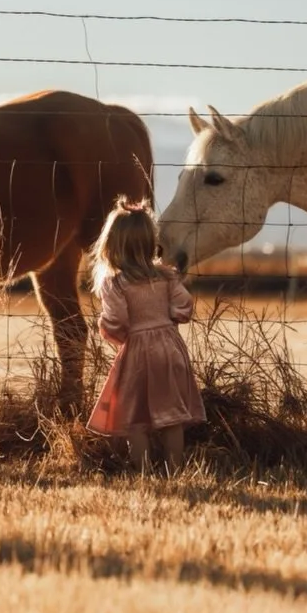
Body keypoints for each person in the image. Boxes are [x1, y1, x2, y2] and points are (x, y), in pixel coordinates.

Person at [87, 198, 206, 473]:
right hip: (170, 349)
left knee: (134, 417)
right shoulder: (166, 277)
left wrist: (106, 328)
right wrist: (168, 320)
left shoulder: (116, 283)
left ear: (111, 245)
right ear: (151, 241)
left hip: (139, 354)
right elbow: (184, 307)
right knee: (172, 416)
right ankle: (174, 468)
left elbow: (117, 322)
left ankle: (141, 470)